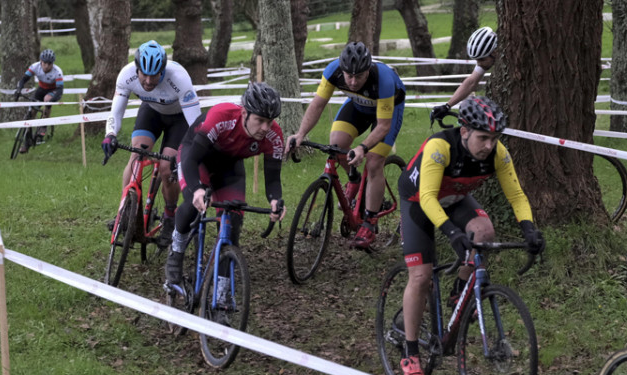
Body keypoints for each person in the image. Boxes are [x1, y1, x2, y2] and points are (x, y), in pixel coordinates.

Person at [395, 96, 545, 375]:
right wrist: (452, 233)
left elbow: (516, 195)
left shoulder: (498, 153)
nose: (489, 145)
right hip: (419, 202)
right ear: (464, 131)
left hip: (454, 198)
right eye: (483, 138)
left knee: (485, 232)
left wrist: (529, 228)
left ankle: (460, 292)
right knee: (421, 276)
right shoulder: (440, 147)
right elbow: (427, 197)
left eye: (494, 138)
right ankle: (411, 352)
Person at [284, 41, 406, 249]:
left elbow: (384, 126)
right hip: (358, 107)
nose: (352, 81)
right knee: (336, 145)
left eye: (359, 76)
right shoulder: (333, 71)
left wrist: (363, 148)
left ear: (368, 70)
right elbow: (317, 104)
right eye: (348, 75)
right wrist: (301, 134)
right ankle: (355, 179)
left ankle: (369, 222)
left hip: (387, 113)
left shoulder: (384, 79)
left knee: (374, 162)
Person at [164, 82, 285, 290]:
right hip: (196, 156)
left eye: (270, 121)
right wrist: (198, 189)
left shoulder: (274, 136)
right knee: (194, 204)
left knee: (233, 222)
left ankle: (221, 296)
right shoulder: (222, 117)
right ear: (245, 112)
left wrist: (275, 200)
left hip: (229, 166)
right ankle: (176, 253)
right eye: (260, 120)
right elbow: (192, 160)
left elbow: (273, 178)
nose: (266, 128)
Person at [102, 40, 201, 245]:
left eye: (154, 75)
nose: (148, 81)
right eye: (143, 74)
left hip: (180, 119)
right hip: (152, 113)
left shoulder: (180, 79)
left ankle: (170, 216)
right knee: (137, 154)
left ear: (162, 71)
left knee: (167, 167)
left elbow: (195, 125)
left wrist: (192, 151)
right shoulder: (126, 75)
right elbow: (116, 110)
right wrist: (110, 134)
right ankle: (125, 212)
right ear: (137, 69)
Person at [430, 27, 497, 124]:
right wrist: (447, 106)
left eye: (481, 59)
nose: (479, 64)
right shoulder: (487, 60)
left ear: (494, 53)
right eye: (476, 60)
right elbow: (471, 82)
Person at [14, 49, 64, 153]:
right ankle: (26, 142)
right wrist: (19, 89)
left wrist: (51, 101)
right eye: (44, 63)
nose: (46, 66)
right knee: (31, 113)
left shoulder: (57, 72)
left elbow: (60, 90)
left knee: (47, 100)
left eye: (49, 64)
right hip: (41, 89)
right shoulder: (35, 66)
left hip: (53, 90)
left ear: (52, 63)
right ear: (41, 61)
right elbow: (24, 79)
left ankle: (43, 126)